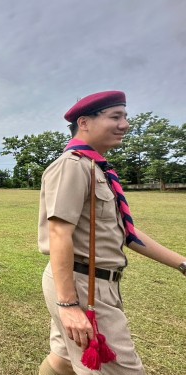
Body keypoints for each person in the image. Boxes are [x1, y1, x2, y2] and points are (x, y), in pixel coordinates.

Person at [37, 91, 186, 375]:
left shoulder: (96, 168)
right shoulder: (72, 166)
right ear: (84, 122)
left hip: (96, 281)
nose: (125, 124)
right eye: (115, 116)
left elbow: (126, 232)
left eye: (125, 116)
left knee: (63, 361)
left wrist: (181, 262)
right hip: (82, 285)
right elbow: (58, 233)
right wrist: (68, 305)